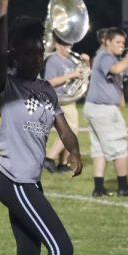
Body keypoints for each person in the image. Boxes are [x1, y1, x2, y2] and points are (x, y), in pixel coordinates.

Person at [0, 0, 81, 255]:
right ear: (15, 53)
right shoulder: (5, 84)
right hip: (12, 180)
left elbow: (63, 126)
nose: (38, 55)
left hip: (32, 183)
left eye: (40, 48)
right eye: (30, 50)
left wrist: (75, 151)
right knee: (62, 249)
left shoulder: (45, 89)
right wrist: (3, 4)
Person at [83, 27, 128, 197]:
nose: (121, 45)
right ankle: (123, 187)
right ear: (107, 42)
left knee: (100, 149)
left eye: (123, 43)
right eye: (117, 42)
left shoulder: (113, 59)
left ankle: (98, 188)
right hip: (103, 109)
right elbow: (116, 70)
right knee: (119, 147)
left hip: (95, 108)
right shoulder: (104, 56)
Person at [43, 34, 89, 173]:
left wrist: (87, 63)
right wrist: (71, 75)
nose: (68, 47)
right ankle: (49, 158)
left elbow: (84, 74)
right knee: (72, 131)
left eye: (70, 44)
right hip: (59, 99)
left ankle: (63, 164)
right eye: (64, 44)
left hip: (69, 98)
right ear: (57, 45)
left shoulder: (72, 61)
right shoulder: (53, 60)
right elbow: (49, 82)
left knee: (65, 131)